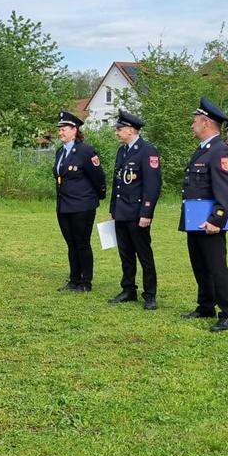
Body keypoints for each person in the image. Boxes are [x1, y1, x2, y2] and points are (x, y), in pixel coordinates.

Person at [180, 96, 228, 332]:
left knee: (216, 267)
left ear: (205, 123)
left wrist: (217, 219)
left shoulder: (220, 151)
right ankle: (205, 305)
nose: (192, 125)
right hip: (195, 218)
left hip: (210, 220)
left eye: (195, 121)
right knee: (200, 264)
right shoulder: (204, 149)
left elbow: (227, 190)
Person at [107, 109, 162, 310]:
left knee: (144, 254)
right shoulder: (122, 151)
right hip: (122, 211)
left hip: (138, 213)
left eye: (119, 129)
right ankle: (128, 288)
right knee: (125, 254)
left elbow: (152, 185)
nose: (116, 132)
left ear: (130, 130)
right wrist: (113, 208)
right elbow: (118, 182)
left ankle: (150, 294)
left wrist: (146, 213)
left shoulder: (147, 151)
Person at [52, 110, 105, 293]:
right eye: (59, 129)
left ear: (74, 130)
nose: (60, 132)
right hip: (64, 205)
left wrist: (95, 197)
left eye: (64, 129)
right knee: (71, 244)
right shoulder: (60, 152)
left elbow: (98, 177)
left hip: (82, 205)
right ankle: (74, 280)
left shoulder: (85, 150)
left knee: (82, 243)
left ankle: (85, 282)